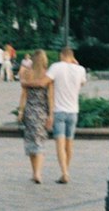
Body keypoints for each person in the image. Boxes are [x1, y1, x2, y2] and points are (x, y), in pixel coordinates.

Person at [47, 46, 86, 184]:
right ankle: (66, 171)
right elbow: (82, 83)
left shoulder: (56, 67)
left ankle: (64, 172)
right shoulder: (81, 69)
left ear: (62, 55)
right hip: (73, 111)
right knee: (69, 144)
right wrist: (76, 64)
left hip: (59, 111)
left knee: (60, 143)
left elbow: (46, 81)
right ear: (72, 56)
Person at [17, 49, 54, 184]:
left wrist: (20, 111)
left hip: (30, 111)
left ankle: (34, 172)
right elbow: (50, 97)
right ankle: (38, 173)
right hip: (42, 112)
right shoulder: (47, 76)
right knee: (40, 142)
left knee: (31, 142)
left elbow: (24, 95)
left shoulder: (28, 74)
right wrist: (51, 115)